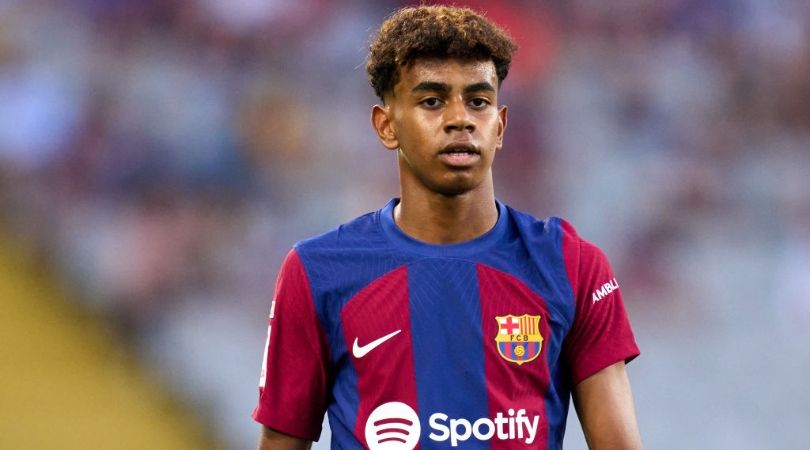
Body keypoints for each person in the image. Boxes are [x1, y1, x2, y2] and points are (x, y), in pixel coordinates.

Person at [253, 5, 642, 450]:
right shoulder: (317, 271)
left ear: (499, 125)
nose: (460, 119)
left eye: (478, 100)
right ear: (386, 126)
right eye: (432, 101)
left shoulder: (572, 266)